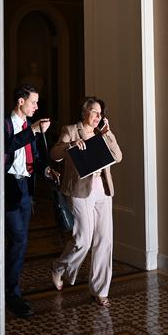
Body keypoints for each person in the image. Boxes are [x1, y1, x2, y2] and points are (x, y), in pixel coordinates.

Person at [49, 96, 123, 307]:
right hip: (80, 191)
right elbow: (55, 154)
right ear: (84, 113)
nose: (98, 116)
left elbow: (117, 157)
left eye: (100, 113)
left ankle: (100, 291)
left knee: (104, 240)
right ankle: (59, 267)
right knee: (83, 239)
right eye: (94, 111)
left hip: (103, 190)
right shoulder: (71, 130)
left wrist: (107, 134)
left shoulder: (103, 133)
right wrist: (70, 145)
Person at [3, 84, 50, 318]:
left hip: (25, 188)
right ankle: (11, 293)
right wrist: (31, 131)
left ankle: (10, 289)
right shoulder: (6, 124)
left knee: (19, 242)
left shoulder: (30, 128)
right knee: (18, 239)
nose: (37, 106)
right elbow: (6, 147)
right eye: (34, 102)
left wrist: (47, 171)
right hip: (9, 186)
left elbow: (36, 157)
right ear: (21, 102)